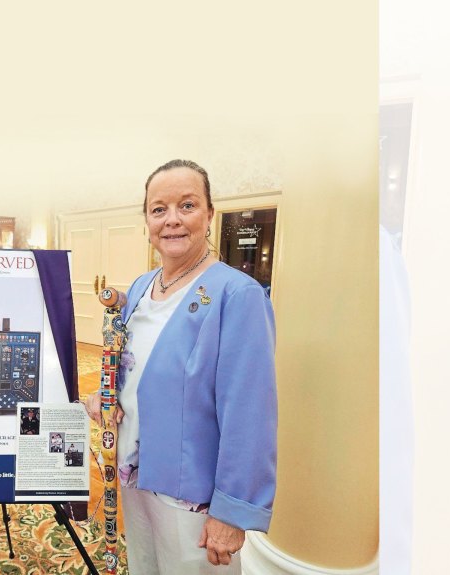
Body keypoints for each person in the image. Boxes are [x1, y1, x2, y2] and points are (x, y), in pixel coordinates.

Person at [84, 159, 277, 573]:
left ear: (209, 214)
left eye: (187, 206)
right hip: (136, 474)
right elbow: (134, 368)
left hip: (192, 494)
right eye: (159, 209)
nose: (171, 220)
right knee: (144, 565)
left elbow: (250, 414)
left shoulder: (237, 295)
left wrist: (231, 512)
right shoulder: (140, 286)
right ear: (147, 221)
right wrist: (107, 397)